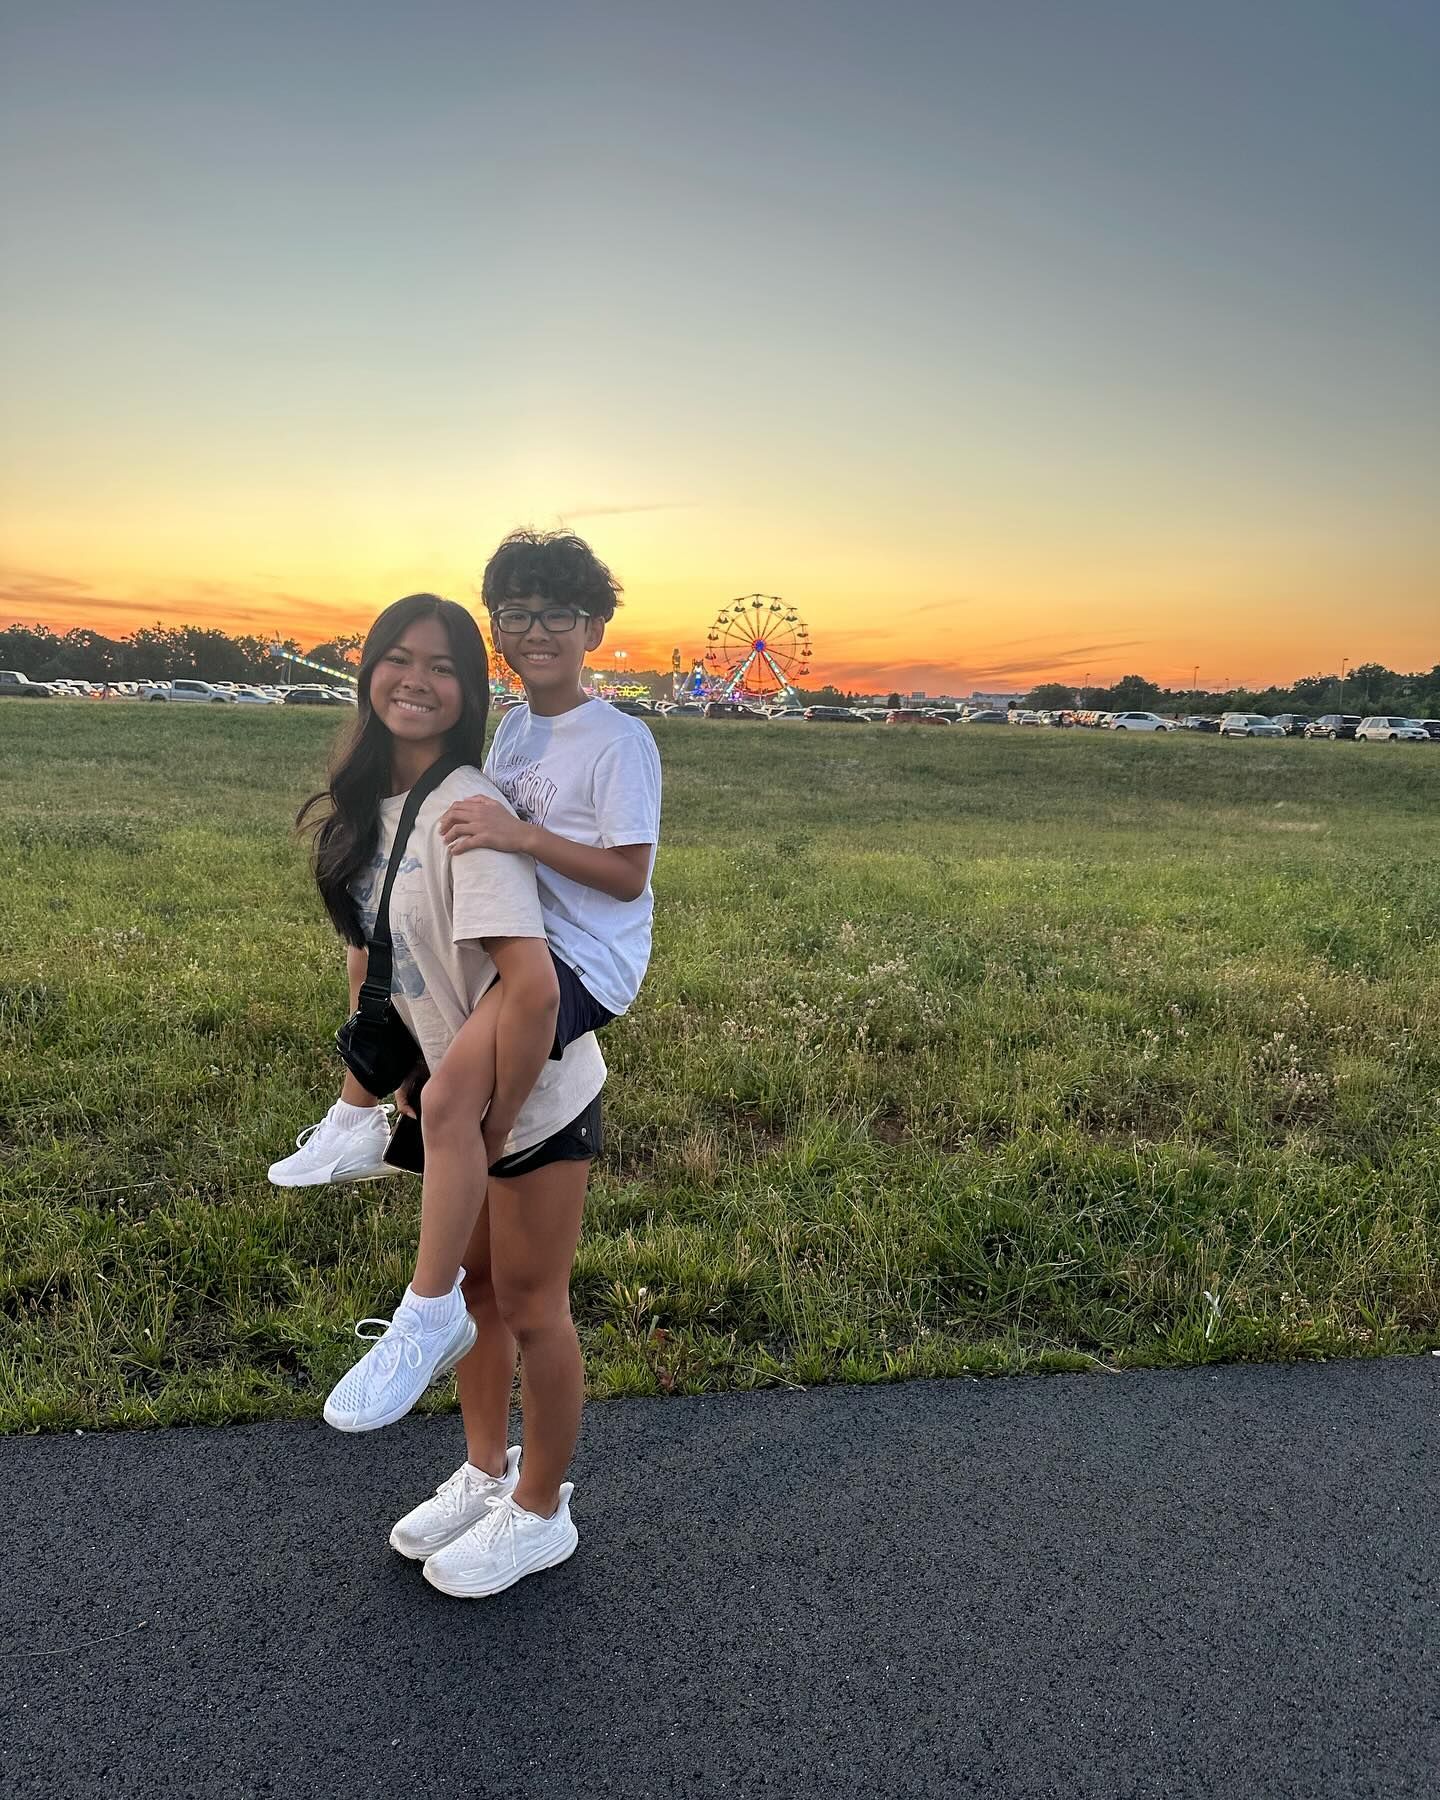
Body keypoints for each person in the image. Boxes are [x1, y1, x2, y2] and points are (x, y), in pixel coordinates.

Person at [297, 591, 608, 1595]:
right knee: (477, 1293)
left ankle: (539, 1508)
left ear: (471, 692)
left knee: (530, 1302)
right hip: (447, 1091)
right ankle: (484, 1474)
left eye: (442, 667)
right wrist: (381, 1086)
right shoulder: (363, 811)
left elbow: (537, 982)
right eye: (398, 658)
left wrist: (501, 1117)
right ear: (367, 670)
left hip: (534, 1093)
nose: (415, 682)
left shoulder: (470, 812)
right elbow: (371, 963)